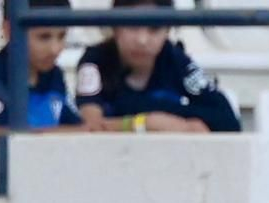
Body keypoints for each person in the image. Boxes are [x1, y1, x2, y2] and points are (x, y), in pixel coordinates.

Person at [75, 0, 241, 133]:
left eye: (154, 29)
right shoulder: (94, 61)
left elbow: (227, 120)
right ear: (115, 27)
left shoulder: (176, 60)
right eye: (132, 26)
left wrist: (168, 119)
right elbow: (91, 126)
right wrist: (146, 123)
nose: (142, 40)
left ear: (167, 31)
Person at [0, 0, 84, 133]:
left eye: (62, 36)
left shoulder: (54, 75)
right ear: (10, 30)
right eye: (44, 37)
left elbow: (78, 128)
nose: (55, 49)